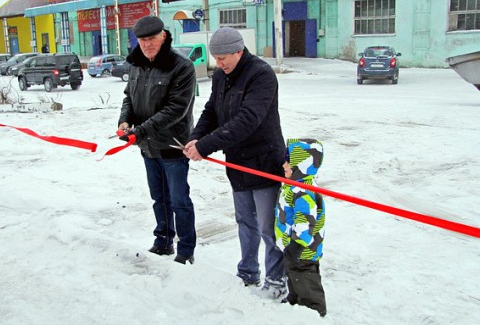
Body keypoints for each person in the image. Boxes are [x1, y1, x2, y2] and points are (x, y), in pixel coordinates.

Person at [183, 27, 286, 296]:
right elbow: (211, 111)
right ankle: (248, 273)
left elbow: (248, 120)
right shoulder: (221, 76)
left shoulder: (261, 75)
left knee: (269, 227)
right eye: (216, 58)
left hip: (264, 162)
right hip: (238, 163)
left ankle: (276, 281)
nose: (219, 63)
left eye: (224, 57)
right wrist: (196, 137)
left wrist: (206, 146)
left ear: (239, 51)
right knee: (245, 221)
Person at [117, 16, 197, 265]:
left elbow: (176, 109)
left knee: (178, 200)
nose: (147, 44)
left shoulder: (181, 66)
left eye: (152, 38)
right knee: (158, 198)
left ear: (164, 36)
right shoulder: (136, 65)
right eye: (142, 40)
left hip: (173, 145)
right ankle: (163, 240)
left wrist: (140, 130)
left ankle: (186, 249)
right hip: (148, 146)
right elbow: (128, 97)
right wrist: (124, 120)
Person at [275, 138, 327, 316]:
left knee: (305, 278)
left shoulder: (303, 191)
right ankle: (295, 299)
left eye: (288, 162)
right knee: (293, 275)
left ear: (301, 166)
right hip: (294, 247)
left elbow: (305, 221)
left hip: (303, 250)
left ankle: (314, 310)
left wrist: (297, 245)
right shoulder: (295, 186)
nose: (284, 165)